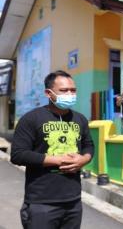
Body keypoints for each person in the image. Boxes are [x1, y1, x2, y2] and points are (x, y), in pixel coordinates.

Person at [11, 70, 94, 229]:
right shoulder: (31, 119)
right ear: (48, 93)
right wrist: (57, 160)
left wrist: (84, 159)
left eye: (73, 90)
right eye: (64, 90)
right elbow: (18, 154)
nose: (70, 94)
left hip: (73, 201)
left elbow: (89, 145)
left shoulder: (80, 119)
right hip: (41, 203)